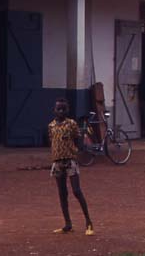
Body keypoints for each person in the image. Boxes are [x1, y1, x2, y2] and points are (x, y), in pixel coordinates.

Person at [48, 98, 94, 236]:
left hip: (70, 160)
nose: (61, 111)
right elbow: (51, 140)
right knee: (62, 194)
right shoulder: (51, 126)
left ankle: (89, 222)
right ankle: (67, 224)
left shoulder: (71, 124)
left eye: (64, 109)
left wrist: (75, 152)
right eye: (58, 109)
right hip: (57, 161)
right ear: (54, 110)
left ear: (67, 110)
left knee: (76, 191)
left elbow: (77, 138)